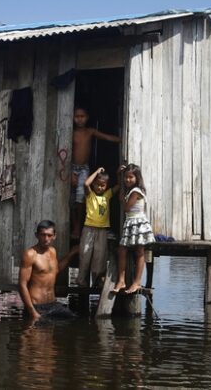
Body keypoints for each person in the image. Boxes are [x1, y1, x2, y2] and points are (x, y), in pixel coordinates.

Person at [71, 107, 121, 239]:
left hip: (84, 168)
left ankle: (77, 227)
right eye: (77, 116)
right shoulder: (70, 133)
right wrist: (70, 173)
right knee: (70, 198)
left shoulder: (90, 131)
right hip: (71, 168)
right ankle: (75, 225)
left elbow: (106, 137)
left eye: (82, 116)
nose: (79, 119)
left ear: (87, 118)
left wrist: (121, 139)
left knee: (81, 197)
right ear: (72, 117)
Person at [18, 220, 79, 321]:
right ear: (36, 235)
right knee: (38, 335)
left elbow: (55, 271)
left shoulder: (52, 251)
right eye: (43, 235)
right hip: (37, 307)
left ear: (54, 236)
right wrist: (32, 312)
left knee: (74, 320)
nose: (46, 239)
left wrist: (71, 254)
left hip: (53, 304)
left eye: (49, 235)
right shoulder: (30, 255)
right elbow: (22, 284)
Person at [112, 164, 156, 294]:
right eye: (126, 177)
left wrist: (122, 189)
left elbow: (125, 207)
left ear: (137, 178)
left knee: (139, 251)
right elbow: (121, 199)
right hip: (131, 222)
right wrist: (119, 177)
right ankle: (122, 281)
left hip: (137, 223)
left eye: (130, 177)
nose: (127, 180)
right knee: (122, 250)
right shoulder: (129, 191)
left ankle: (136, 282)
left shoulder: (136, 191)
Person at [77, 167, 119, 288]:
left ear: (106, 186)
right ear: (94, 184)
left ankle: (97, 282)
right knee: (85, 254)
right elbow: (86, 183)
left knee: (99, 257)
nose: (100, 187)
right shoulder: (90, 195)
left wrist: (118, 173)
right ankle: (82, 282)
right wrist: (96, 172)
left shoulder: (107, 195)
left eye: (103, 185)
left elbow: (118, 186)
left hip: (102, 230)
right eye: (97, 185)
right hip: (88, 229)